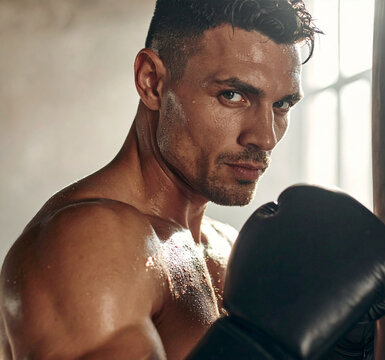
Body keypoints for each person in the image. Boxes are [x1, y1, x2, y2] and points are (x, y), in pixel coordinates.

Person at [0, 0, 320, 358]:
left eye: (282, 105)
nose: (265, 137)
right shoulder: (91, 241)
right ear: (151, 82)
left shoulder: (229, 247)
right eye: (233, 95)